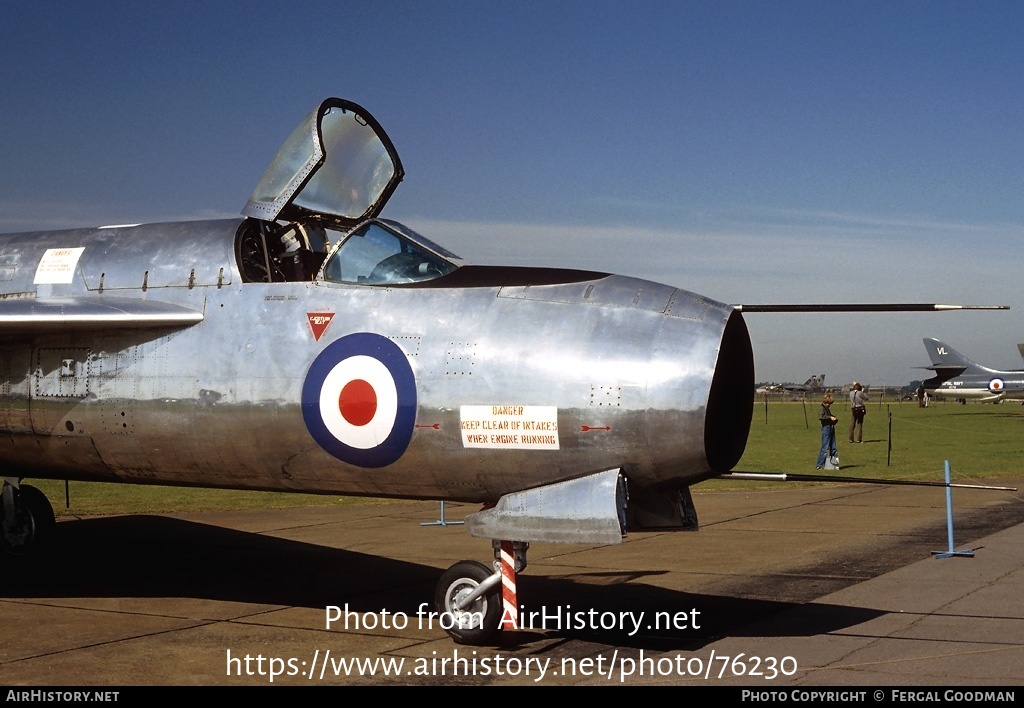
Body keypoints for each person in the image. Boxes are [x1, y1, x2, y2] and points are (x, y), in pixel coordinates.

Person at [816, 393, 838, 470]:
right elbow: (821, 417)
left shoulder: (827, 409)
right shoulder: (821, 408)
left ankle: (834, 465)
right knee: (825, 448)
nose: (830, 405)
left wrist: (834, 418)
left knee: (833, 447)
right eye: (830, 404)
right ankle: (819, 465)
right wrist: (830, 417)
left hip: (831, 428)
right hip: (826, 428)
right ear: (826, 402)